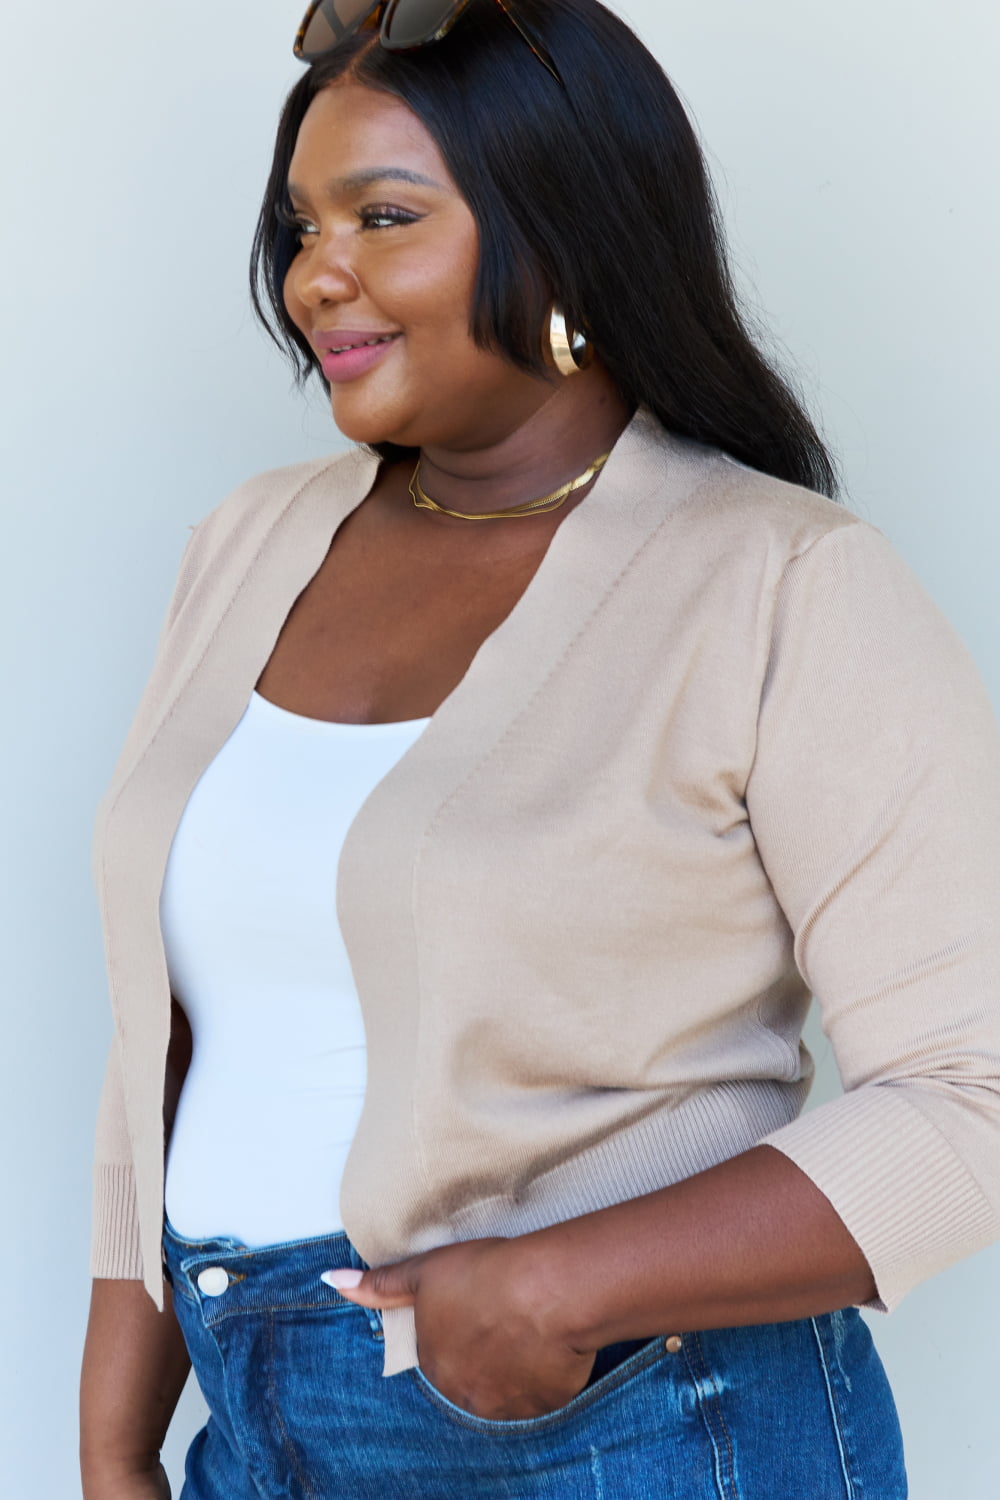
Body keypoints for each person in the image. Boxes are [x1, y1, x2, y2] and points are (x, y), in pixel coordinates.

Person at [79, 2, 1000, 1496]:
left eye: (385, 216)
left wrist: (552, 1291)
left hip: (629, 1418)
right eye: (301, 225)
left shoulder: (780, 581)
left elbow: (974, 1094)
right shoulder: (247, 547)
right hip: (252, 1422)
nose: (320, 274)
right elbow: (162, 1052)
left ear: (562, 233)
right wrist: (116, 1450)